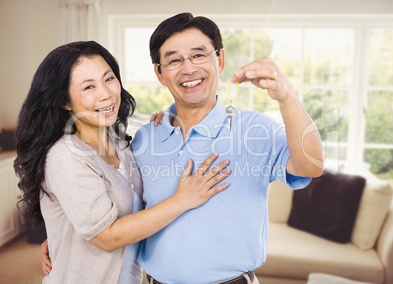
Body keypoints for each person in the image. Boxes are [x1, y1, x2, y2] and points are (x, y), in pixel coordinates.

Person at [14, 40, 231, 283]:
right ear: (64, 101)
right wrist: (183, 200)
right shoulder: (66, 156)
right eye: (88, 87)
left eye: (109, 79)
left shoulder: (119, 142)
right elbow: (107, 236)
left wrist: (167, 120)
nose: (106, 94)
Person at [130, 12, 324, 284]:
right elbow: (125, 211)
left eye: (199, 55)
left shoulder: (255, 130)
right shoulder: (144, 137)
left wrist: (287, 97)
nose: (188, 69)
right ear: (159, 73)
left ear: (219, 59)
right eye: (174, 60)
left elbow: (312, 165)